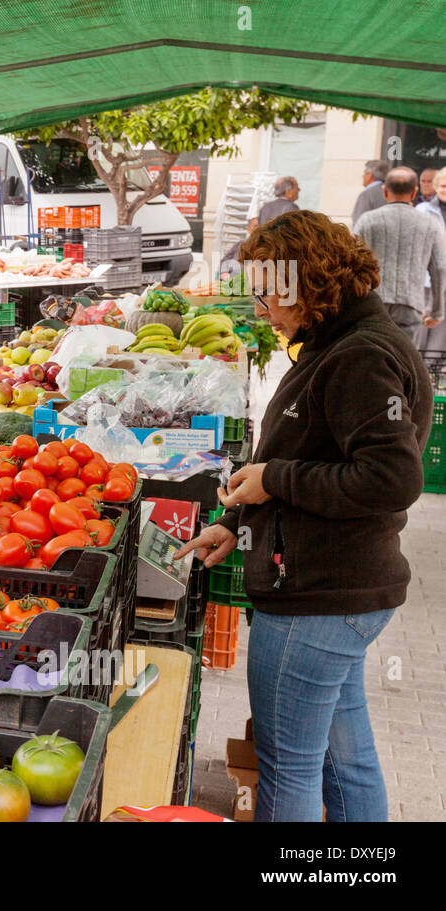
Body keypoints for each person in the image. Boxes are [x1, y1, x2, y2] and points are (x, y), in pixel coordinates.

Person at [175, 210, 432, 822]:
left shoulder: (360, 356)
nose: (260, 307)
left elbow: (392, 479)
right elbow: (305, 452)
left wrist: (275, 480)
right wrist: (235, 523)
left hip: (319, 597)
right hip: (336, 593)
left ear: (308, 284)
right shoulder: (336, 342)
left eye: (268, 293)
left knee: (290, 767)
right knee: (346, 760)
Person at [353, 166, 446, 339]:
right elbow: (439, 268)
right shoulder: (430, 224)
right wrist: (436, 311)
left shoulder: (367, 221)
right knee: (402, 355)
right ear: (414, 192)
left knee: (371, 351)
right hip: (410, 305)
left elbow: (351, 262)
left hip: (371, 302)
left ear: (385, 191)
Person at [351, 160, 389, 225]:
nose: (363, 176)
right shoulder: (390, 192)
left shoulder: (366, 195)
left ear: (370, 175)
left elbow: (359, 223)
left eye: (364, 173)